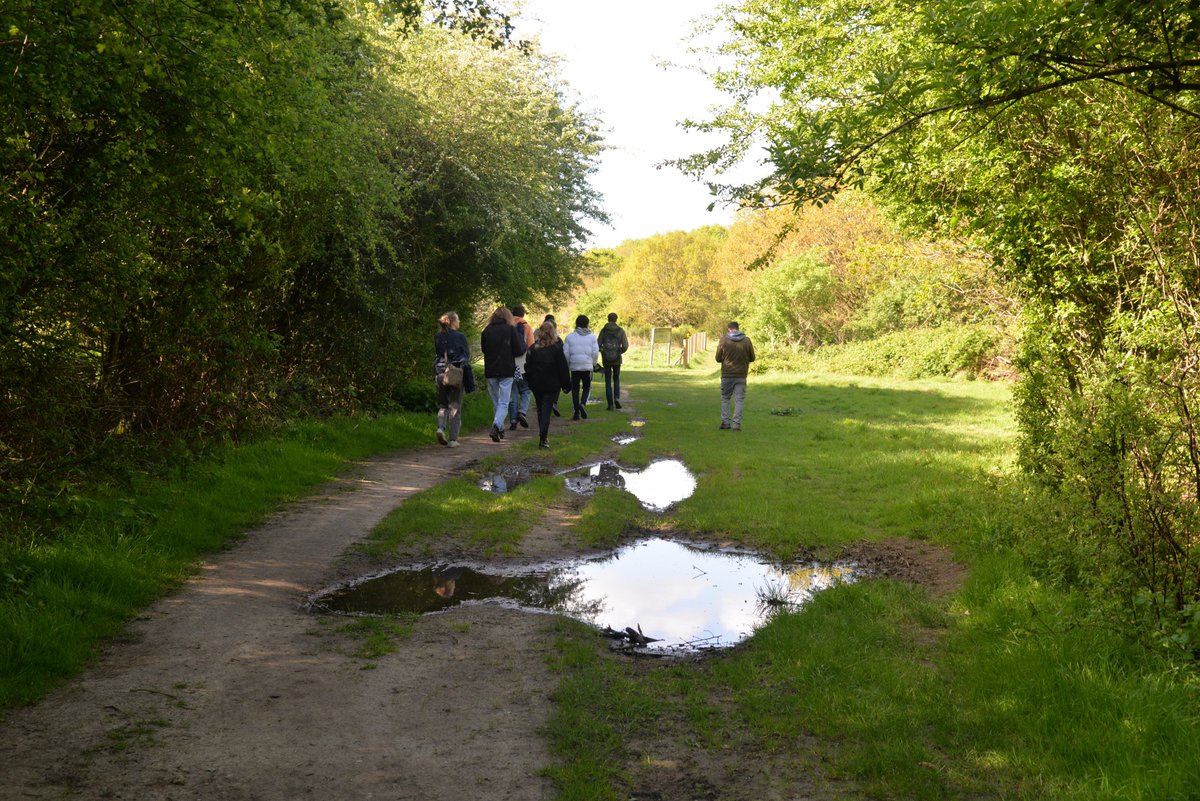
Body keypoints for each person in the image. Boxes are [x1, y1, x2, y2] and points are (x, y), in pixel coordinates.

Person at [480, 306, 527, 442]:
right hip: (507, 370)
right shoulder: (511, 330)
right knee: (504, 402)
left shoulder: (486, 331)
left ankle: (500, 428)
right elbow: (518, 351)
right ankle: (496, 426)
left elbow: (484, 350)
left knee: (496, 401)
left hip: (491, 370)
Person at [523, 321, 571, 449]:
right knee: (546, 411)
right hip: (552, 384)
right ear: (553, 333)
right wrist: (566, 384)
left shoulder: (533, 348)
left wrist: (528, 380)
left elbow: (527, 367)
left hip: (537, 384)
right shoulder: (556, 348)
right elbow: (563, 368)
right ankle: (543, 438)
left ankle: (543, 437)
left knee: (540, 409)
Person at [433, 311, 475, 448]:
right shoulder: (460, 336)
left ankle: (440, 428)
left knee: (443, 405)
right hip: (455, 374)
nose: (459, 322)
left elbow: (438, 355)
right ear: (453, 321)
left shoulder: (438, 336)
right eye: (458, 319)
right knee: (455, 405)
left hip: (440, 374)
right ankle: (453, 440)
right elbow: (465, 356)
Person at [715, 321, 755, 431]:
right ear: (738, 328)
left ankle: (725, 423)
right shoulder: (746, 340)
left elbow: (718, 358)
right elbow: (752, 357)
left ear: (729, 329)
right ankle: (736, 425)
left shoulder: (723, 340)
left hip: (727, 374)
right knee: (739, 400)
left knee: (725, 398)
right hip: (741, 375)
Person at [562, 314, 599, 420]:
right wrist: (593, 364)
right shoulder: (592, 337)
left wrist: (569, 364)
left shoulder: (569, 337)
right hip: (587, 366)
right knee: (587, 387)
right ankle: (582, 404)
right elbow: (595, 352)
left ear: (576, 324)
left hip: (574, 366)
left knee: (575, 389)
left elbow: (566, 353)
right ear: (587, 324)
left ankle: (576, 413)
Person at [507, 305, 535, 431]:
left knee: (512, 393)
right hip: (522, 364)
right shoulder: (526, 326)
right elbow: (531, 347)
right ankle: (522, 412)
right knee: (526, 390)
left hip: (508, 363)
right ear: (523, 314)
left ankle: (513, 421)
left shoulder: (506, 326)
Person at [597, 312, 630, 410]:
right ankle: (617, 398)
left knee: (608, 381)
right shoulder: (621, 331)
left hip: (606, 359)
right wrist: (619, 352)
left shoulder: (603, 331)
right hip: (617, 359)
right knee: (616, 379)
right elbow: (625, 346)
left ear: (608, 319)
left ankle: (610, 404)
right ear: (616, 319)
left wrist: (603, 351)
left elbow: (597, 345)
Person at [544, 314, 563, 416]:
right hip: (554, 368)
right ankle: (554, 402)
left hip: (540, 367)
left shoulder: (538, 337)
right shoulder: (558, 340)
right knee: (556, 386)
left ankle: (545, 403)